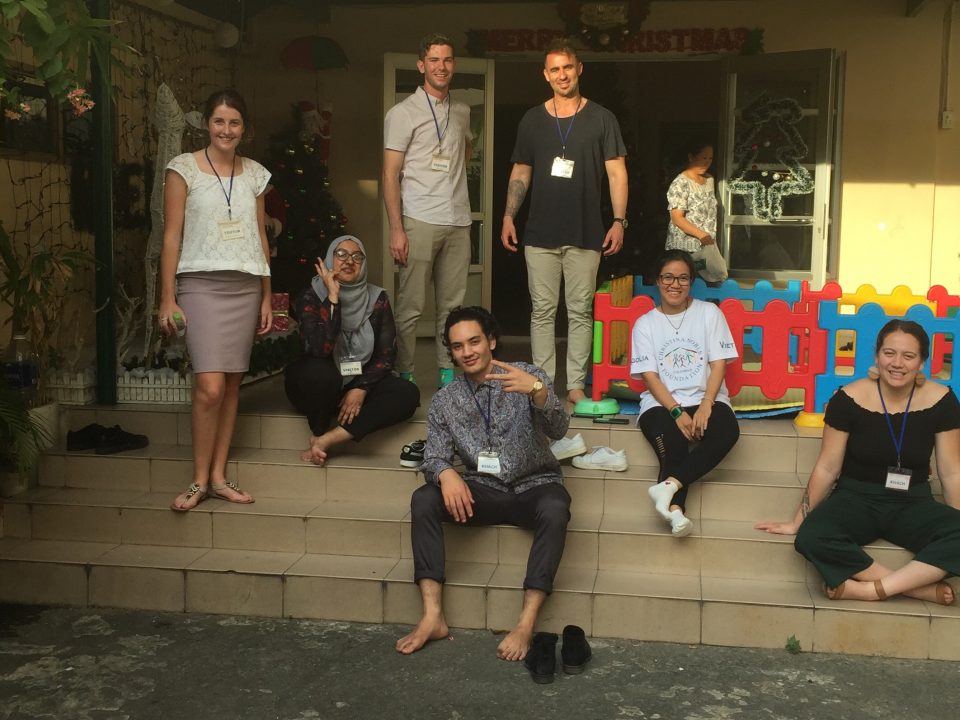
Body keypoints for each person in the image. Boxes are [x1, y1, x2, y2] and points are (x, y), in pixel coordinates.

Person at [396, 306, 571, 660]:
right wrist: (445, 474)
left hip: (534, 484)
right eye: (458, 346)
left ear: (491, 340)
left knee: (556, 507)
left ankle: (525, 622)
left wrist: (538, 391)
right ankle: (433, 616)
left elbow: (559, 429)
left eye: (474, 341)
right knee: (423, 499)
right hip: (482, 489)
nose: (467, 352)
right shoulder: (446, 400)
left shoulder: (527, 375)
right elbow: (434, 455)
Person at [756, 320, 960, 605]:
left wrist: (953, 528)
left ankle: (867, 590)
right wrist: (797, 521)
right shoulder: (848, 398)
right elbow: (828, 467)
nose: (897, 363)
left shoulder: (942, 401)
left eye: (908, 356)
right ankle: (914, 588)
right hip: (856, 497)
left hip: (913, 501)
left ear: (922, 361)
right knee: (812, 536)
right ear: (877, 356)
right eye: (889, 353)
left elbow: (951, 472)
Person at [160, 89, 271, 511]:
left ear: (245, 129)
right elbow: (171, 235)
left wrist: (265, 296)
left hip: (244, 286)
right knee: (208, 386)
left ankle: (219, 477)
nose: (227, 130)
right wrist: (166, 297)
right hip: (200, 285)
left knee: (230, 384)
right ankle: (197, 481)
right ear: (206, 123)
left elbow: (261, 237)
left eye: (235, 123)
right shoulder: (182, 169)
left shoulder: (256, 174)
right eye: (220, 121)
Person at [501, 38, 628, 405]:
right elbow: (520, 172)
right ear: (546, 74)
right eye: (554, 69)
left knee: (580, 311)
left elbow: (618, 174)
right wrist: (509, 216)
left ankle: (575, 385)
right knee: (541, 311)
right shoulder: (532, 119)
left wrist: (618, 220)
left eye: (567, 67)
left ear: (579, 69)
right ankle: (541, 384)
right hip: (539, 233)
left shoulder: (602, 118)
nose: (562, 75)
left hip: (586, 232)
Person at [383, 32, 473, 389]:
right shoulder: (403, 113)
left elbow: (465, 152)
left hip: (458, 220)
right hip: (418, 219)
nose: (441, 66)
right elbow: (390, 174)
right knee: (411, 307)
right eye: (434, 60)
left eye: (447, 60)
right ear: (421, 65)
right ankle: (404, 374)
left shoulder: (462, 110)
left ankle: (448, 376)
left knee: (452, 308)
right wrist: (396, 228)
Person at [630, 250, 740, 537]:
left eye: (682, 278)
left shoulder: (709, 313)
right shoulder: (645, 324)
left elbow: (718, 364)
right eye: (668, 277)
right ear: (657, 280)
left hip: (708, 397)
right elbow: (650, 376)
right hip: (661, 403)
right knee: (675, 444)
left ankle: (667, 488)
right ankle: (677, 512)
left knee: (728, 431)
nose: (674, 284)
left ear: (691, 282)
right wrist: (676, 411)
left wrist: (706, 404)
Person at [284, 235, 420, 465]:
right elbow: (319, 349)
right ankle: (318, 430)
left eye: (357, 256)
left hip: (356, 383)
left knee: (407, 393)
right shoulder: (310, 296)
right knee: (319, 374)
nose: (349, 261)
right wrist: (333, 299)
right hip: (317, 386)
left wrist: (361, 388)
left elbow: (386, 356)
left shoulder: (378, 298)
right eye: (341, 255)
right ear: (329, 260)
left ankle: (328, 439)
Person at [665, 140, 727, 283]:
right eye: (703, 157)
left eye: (710, 158)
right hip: (685, 248)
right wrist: (702, 235)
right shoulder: (680, 183)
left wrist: (708, 239)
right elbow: (677, 218)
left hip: (706, 247)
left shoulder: (709, 180)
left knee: (709, 285)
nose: (707, 162)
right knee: (686, 285)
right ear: (691, 157)